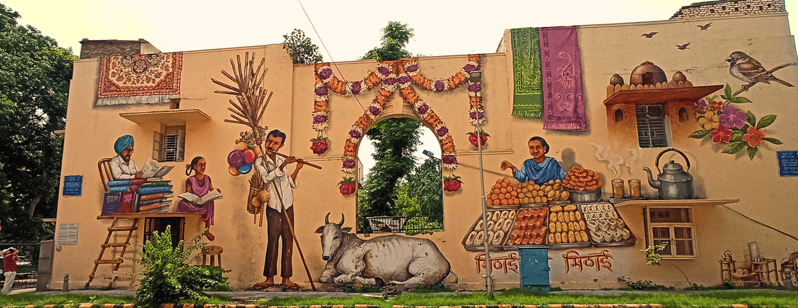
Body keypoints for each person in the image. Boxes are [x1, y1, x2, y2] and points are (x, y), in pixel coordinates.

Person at [252, 129, 304, 291]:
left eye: (276, 143)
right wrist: (283, 164)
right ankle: (269, 278)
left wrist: (297, 168)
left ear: (281, 145)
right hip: (274, 205)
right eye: (269, 141)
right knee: (273, 240)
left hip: (288, 204)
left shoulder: (283, 159)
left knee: (288, 240)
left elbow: (289, 183)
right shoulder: (260, 161)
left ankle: (286, 278)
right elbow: (267, 178)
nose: (271, 145)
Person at [177, 157, 221, 241]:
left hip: (204, 204)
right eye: (200, 165)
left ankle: (207, 230)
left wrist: (217, 192)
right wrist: (192, 199)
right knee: (181, 203)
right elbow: (188, 193)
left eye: (204, 164)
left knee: (211, 202)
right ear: (194, 167)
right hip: (193, 204)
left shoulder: (208, 178)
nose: (203, 167)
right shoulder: (190, 180)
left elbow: (212, 190)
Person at [501, 136, 566, 185]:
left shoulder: (552, 162)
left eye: (538, 147)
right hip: (533, 196)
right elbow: (522, 178)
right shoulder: (527, 163)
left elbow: (563, 176)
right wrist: (512, 167)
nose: (535, 151)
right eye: (531, 148)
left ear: (544, 148)